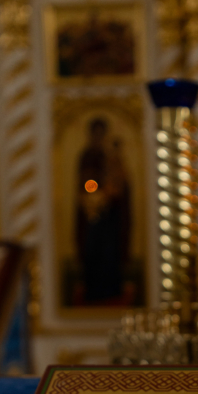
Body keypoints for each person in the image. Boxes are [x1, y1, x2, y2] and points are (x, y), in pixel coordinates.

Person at [74, 118, 132, 305]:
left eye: (102, 134)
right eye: (96, 133)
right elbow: (86, 184)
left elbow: (121, 186)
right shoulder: (87, 156)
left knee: (109, 253)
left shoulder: (111, 157)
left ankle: (111, 290)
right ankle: (93, 291)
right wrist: (96, 189)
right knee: (93, 252)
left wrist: (111, 189)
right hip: (92, 213)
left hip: (110, 215)